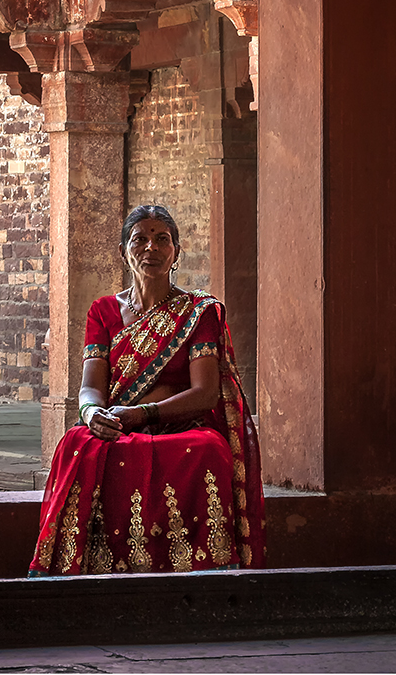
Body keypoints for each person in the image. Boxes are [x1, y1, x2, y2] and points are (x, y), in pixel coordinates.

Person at [28, 204, 265, 575]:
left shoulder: (197, 313)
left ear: (176, 252)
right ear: (124, 252)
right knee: (76, 444)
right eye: (140, 240)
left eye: (162, 240)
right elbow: (91, 387)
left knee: (209, 449)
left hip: (180, 427)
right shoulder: (103, 312)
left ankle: (206, 575)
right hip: (119, 426)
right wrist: (92, 414)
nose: (151, 248)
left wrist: (142, 414)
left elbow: (205, 393)